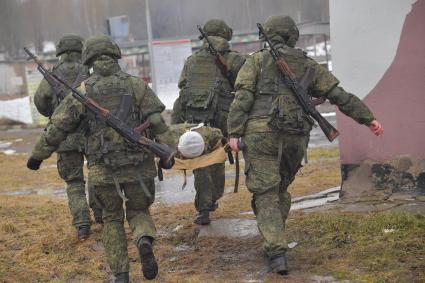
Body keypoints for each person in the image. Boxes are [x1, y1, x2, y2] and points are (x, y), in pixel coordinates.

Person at [227, 15, 384, 275]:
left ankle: (276, 250)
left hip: (260, 135)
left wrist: (233, 132)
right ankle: (275, 237)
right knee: (280, 190)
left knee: (266, 193)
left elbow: (243, 97)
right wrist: (368, 119)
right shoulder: (308, 64)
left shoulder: (255, 61)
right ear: (292, 36)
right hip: (295, 136)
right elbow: (339, 96)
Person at [27, 35, 169, 282]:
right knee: (139, 210)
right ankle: (144, 240)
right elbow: (156, 121)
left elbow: (57, 127)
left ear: (90, 59)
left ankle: (121, 274)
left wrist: (37, 156)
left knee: (112, 219)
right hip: (138, 165)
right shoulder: (136, 85)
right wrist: (170, 149)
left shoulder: (83, 91)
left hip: (103, 170)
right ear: (116, 56)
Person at [171, 19, 246, 224]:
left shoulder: (191, 60)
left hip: (195, 118)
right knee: (218, 157)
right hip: (223, 119)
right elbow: (246, 87)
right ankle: (212, 198)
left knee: (200, 161)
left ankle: (204, 207)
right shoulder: (236, 60)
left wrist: (176, 122)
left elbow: (182, 88)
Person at [33, 34, 100, 240]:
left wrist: (57, 114)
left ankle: (82, 225)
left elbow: (40, 103)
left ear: (60, 52)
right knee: (97, 174)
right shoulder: (90, 72)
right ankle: (102, 214)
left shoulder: (51, 77)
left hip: (64, 137)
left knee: (74, 182)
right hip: (92, 135)